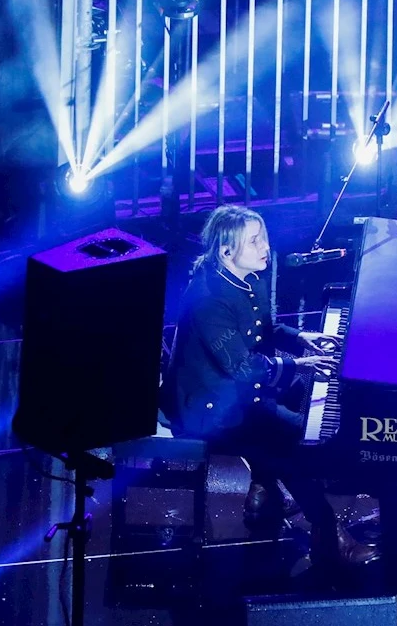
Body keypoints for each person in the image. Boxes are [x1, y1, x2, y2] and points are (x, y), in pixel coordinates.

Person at [160, 204, 378, 566]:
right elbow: (244, 368)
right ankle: (327, 532)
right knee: (292, 439)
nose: (265, 247)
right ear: (226, 251)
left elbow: (264, 330)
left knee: (305, 399)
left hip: (237, 390)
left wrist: (301, 338)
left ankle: (264, 488)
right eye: (254, 241)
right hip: (206, 406)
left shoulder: (249, 278)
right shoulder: (208, 299)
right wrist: (299, 364)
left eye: (263, 237)